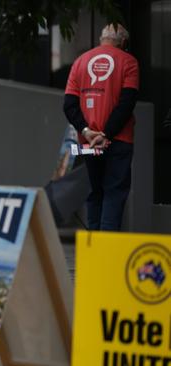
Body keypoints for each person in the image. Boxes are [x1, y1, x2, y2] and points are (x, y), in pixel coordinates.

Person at [63, 23, 139, 231]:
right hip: (120, 141)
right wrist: (106, 134)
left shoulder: (80, 62)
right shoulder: (129, 62)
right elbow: (127, 103)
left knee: (93, 193)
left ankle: (93, 250)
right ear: (123, 43)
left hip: (88, 142)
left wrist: (87, 131)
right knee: (114, 194)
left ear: (101, 39)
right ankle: (107, 253)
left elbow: (69, 105)